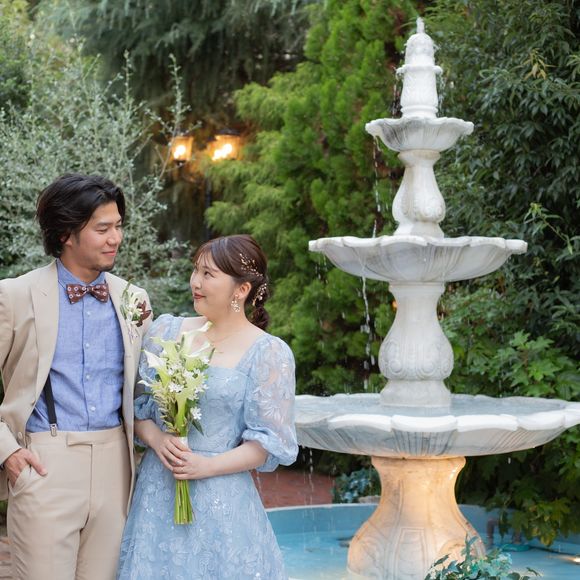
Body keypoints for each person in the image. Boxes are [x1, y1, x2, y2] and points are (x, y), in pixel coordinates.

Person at [117, 234, 298, 580]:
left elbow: (267, 443)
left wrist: (206, 465)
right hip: (158, 491)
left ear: (241, 289)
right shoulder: (166, 331)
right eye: (196, 271)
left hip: (222, 501)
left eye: (208, 274)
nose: (195, 282)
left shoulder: (269, 353)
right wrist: (157, 439)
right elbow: (136, 408)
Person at [0, 173, 152, 580]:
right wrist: (8, 452)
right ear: (66, 233)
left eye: (118, 226)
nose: (115, 238)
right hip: (45, 463)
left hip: (116, 467)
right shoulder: (16, 295)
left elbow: (144, 391)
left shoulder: (133, 299)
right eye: (102, 229)